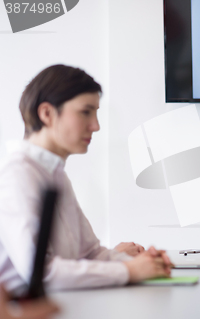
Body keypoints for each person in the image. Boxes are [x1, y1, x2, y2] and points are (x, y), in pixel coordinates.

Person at [0, 65, 172, 295]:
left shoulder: (55, 174)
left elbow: (91, 253)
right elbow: (40, 272)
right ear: (47, 114)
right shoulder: (17, 175)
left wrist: (144, 263)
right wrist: (129, 271)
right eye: (86, 112)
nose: (96, 126)